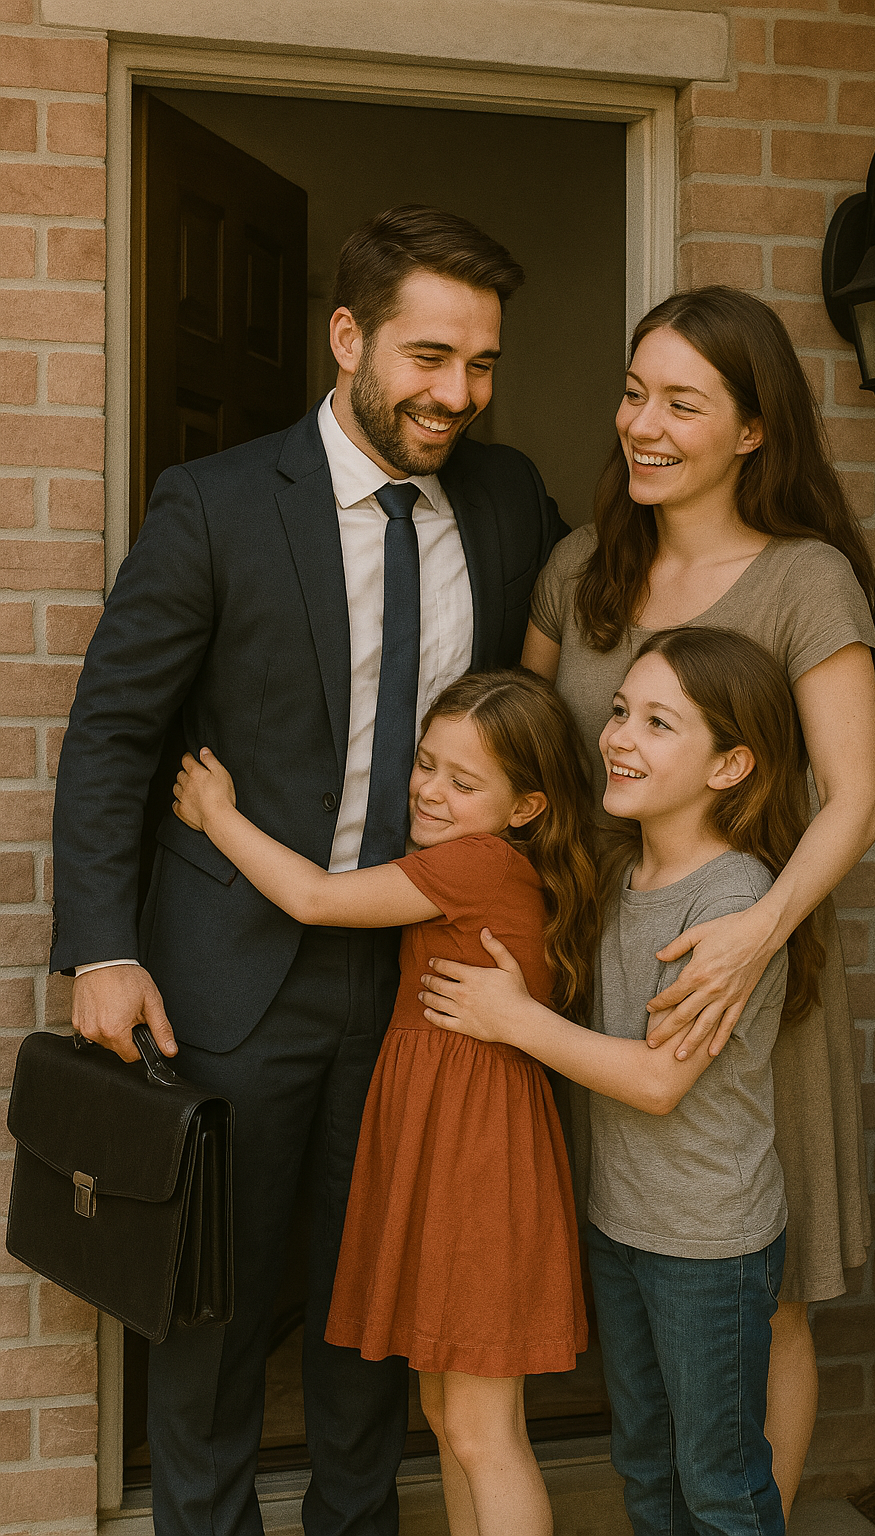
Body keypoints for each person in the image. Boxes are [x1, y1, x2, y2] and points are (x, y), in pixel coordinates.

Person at [49, 205, 567, 1536]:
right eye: (430, 357)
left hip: (423, 986)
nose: (458, 394)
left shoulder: (508, 505)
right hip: (231, 984)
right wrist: (101, 948)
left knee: (372, 1311)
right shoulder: (217, 505)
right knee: (212, 1318)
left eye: (484, 364)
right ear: (348, 338)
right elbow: (114, 731)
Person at [521, 286, 875, 1515]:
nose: (645, 424)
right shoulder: (579, 568)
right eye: (634, 393)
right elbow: (527, 764)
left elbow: (853, 799)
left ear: (752, 430)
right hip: (604, 981)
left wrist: (750, 937)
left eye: (684, 402)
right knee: (629, 1259)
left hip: (756, 984)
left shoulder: (802, 579)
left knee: (760, 1299)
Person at [171, 668, 599, 1536]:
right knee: (449, 1417)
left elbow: (316, 900)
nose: (431, 792)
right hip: (450, 1142)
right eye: (426, 765)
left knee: (483, 1429)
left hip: (476, 1155)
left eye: (464, 781)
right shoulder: (483, 857)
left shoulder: (476, 863)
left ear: (526, 807)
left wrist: (217, 814)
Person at [419, 627, 822, 1536]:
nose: (619, 737)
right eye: (618, 712)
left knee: (720, 1482)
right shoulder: (620, 869)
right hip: (621, 1222)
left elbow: (655, 1082)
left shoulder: (730, 905)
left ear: (731, 766)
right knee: (644, 1466)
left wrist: (515, 1019)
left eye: (658, 723)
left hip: (707, 1243)